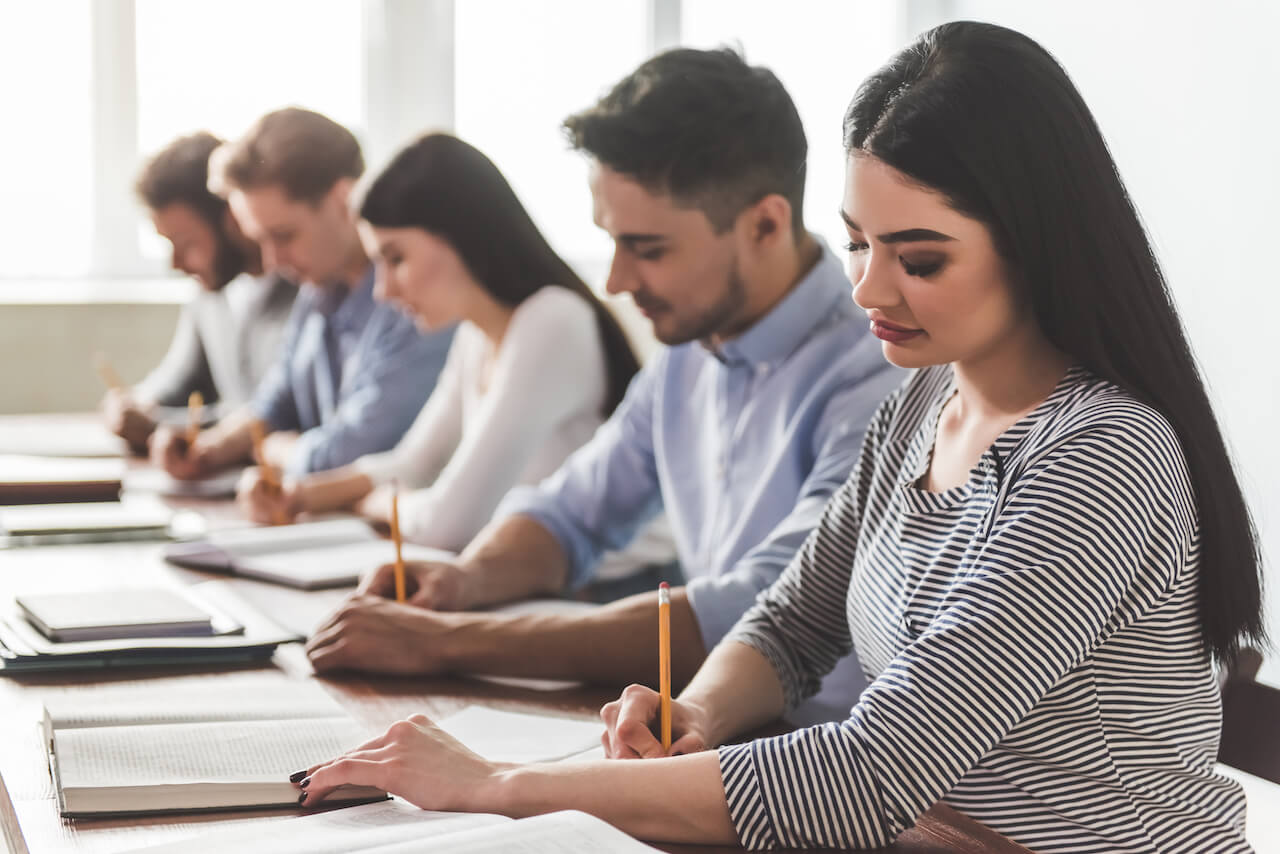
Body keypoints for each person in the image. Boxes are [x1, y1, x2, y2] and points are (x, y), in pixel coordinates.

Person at [294, 23, 1265, 853]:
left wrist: (501, 785)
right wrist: (699, 714)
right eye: (856, 242)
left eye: (917, 258)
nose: (866, 291)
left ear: (1036, 245)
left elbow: (868, 770)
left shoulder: (1101, 455)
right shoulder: (919, 411)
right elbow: (791, 621)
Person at [303, 47, 903, 726]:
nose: (615, 281)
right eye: (611, 242)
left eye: (648, 249)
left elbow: (764, 605)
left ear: (763, 224)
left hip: (824, 766)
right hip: (710, 732)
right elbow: (573, 511)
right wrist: (467, 579)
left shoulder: (877, 369)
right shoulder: (690, 350)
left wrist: (445, 643)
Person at [239, 133, 641, 554]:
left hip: (611, 592)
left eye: (396, 259)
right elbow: (412, 464)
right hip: (527, 585)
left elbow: (446, 526)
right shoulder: (475, 333)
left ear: (461, 236)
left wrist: (376, 501)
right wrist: (299, 494)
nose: (383, 291)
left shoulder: (552, 321)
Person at [150, 108, 454, 480]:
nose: (272, 261)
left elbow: (350, 454)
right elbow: (274, 404)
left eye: (283, 236)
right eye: (259, 239)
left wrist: (270, 447)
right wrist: (211, 447)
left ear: (344, 200)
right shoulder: (318, 291)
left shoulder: (414, 299)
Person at [102, 132, 296, 454]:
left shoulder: (306, 293)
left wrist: (165, 424)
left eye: (186, 243)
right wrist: (138, 404)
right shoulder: (210, 294)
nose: (177, 264)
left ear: (233, 218)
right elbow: (178, 380)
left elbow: (278, 413)